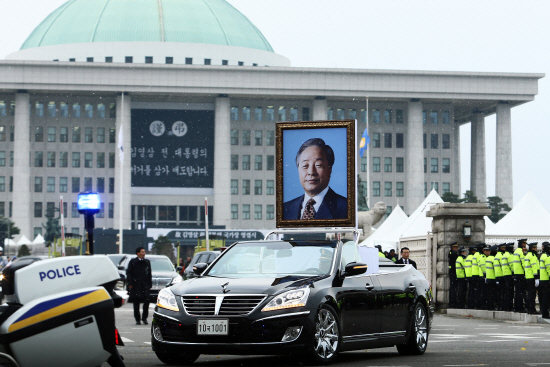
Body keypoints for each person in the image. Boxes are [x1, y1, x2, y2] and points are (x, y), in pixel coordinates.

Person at [283, 138, 347, 220]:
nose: (311, 172)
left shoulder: (346, 208)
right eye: (305, 166)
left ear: (330, 169)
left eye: (318, 165)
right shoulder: (285, 209)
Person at [126, 247, 153, 325]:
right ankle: (137, 319)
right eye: (142, 252)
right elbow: (129, 273)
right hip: (136, 285)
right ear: (138, 253)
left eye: (144, 252)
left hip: (145, 285)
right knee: (136, 302)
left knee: (147, 301)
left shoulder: (147, 262)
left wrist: (150, 284)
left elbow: (149, 274)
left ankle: (144, 318)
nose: (144, 253)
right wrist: (130, 284)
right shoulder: (133, 262)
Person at [524, 242, 539, 314]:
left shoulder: (527, 255)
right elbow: (534, 267)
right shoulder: (533, 256)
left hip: (527, 276)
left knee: (529, 293)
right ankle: (532, 309)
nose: (536, 249)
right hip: (532, 277)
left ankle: (529, 308)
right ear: (532, 248)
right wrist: (536, 278)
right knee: (532, 294)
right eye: (535, 248)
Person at [513, 239, 527, 312]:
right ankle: (520, 307)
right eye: (524, 243)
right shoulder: (520, 252)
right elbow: (523, 263)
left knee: (517, 292)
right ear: (522, 244)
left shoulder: (515, 251)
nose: (525, 245)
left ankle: (516, 307)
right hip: (521, 273)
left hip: (516, 273)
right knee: (521, 292)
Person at [502, 243, 515, 311]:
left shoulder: (504, 255)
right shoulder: (510, 255)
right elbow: (512, 266)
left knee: (506, 292)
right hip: (509, 275)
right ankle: (509, 307)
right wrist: (514, 273)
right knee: (510, 292)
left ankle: (506, 306)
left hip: (505, 274)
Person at [484, 246, 497, 311]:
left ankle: (489, 306)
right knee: (493, 293)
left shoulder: (487, 258)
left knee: (489, 293)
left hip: (488, 278)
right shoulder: (494, 259)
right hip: (493, 278)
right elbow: (495, 269)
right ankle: (492, 306)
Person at [539, 242, 550, 319]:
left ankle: (544, 312)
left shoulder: (542, 255)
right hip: (547, 280)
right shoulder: (547, 257)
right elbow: (549, 269)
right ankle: (545, 314)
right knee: (546, 298)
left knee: (543, 297)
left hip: (542, 279)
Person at [448, 242, 459, 308]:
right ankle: (453, 303)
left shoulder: (450, 253)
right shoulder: (454, 254)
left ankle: (452, 302)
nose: (457, 249)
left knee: (452, 288)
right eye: (456, 247)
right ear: (453, 247)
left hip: (451, 272)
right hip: (454, 272)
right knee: (454, 288)